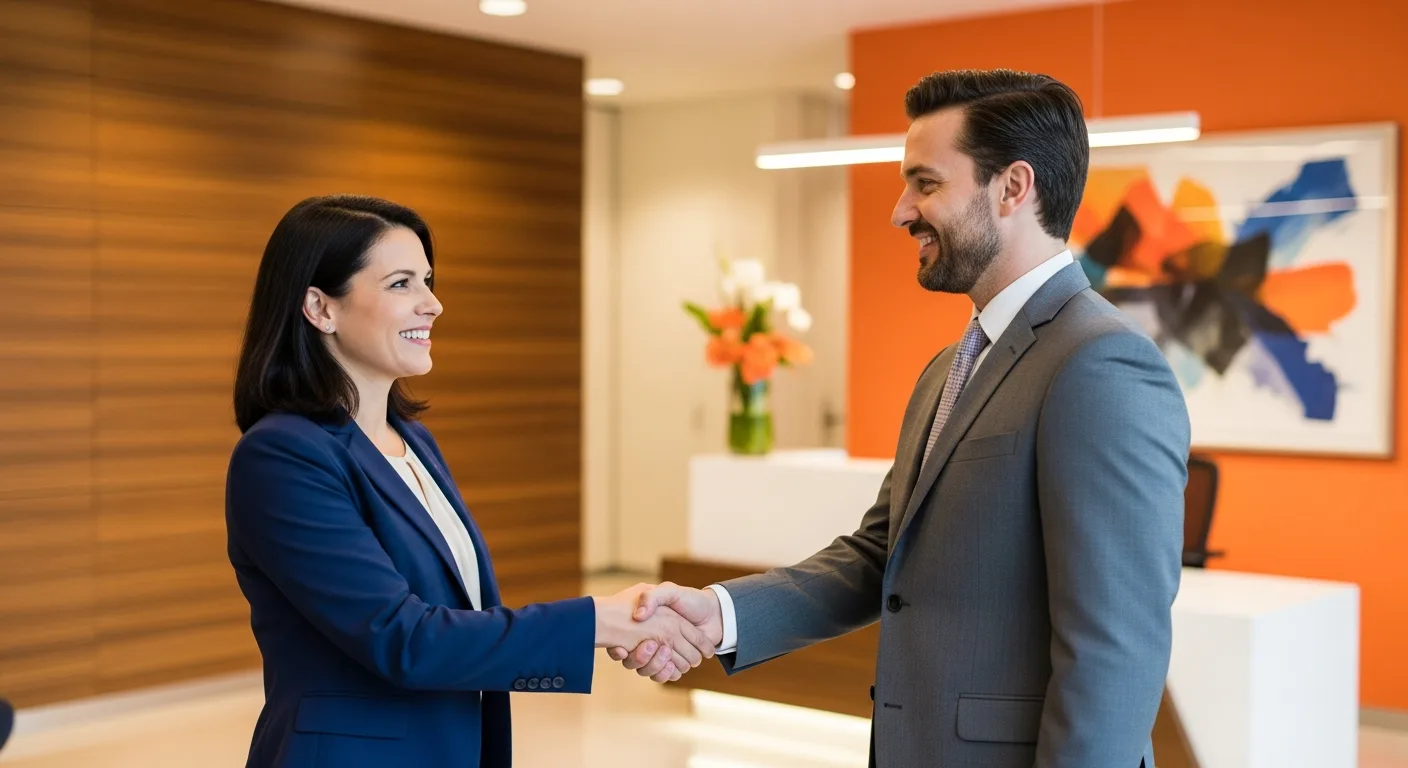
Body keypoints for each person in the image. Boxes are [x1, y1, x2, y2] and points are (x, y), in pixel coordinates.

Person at [614, 69, 1190, 768]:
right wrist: (722, 614)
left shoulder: (1101, 365)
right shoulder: (951, 366)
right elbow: (882, 554)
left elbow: (1117, 646)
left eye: (926, 183)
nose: (900, 211)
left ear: (1012, 188)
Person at [226, 195, 710, 768]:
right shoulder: (283, 456)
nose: (432, 304)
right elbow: (403, 638)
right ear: (320, 308)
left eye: (428, 281)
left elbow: (462, 617)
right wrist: (603, 621)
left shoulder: (413, 442)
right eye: (402, 283)